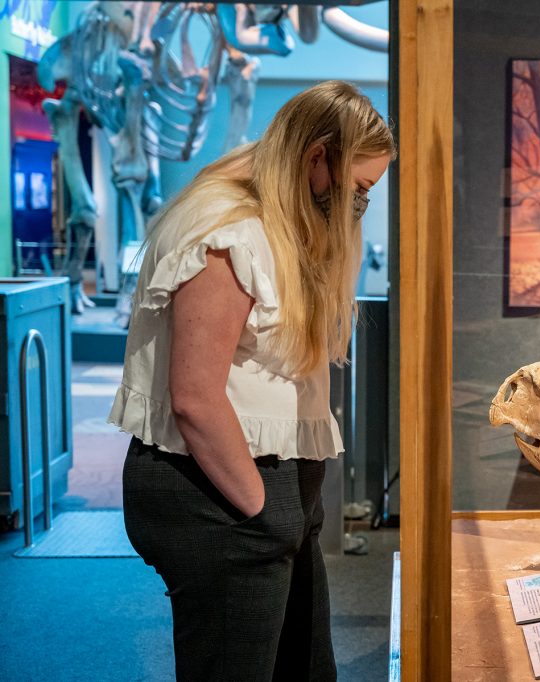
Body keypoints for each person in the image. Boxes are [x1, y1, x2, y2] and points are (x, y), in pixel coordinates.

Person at [110, 80, 394, 681]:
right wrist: (265, 512)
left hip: (264, 498)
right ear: (317, 157)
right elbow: (194, 397)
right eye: (359, 190)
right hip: (224, 499)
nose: (358, 207)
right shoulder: (229, 232)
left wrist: (287, 513)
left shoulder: (270, 225)